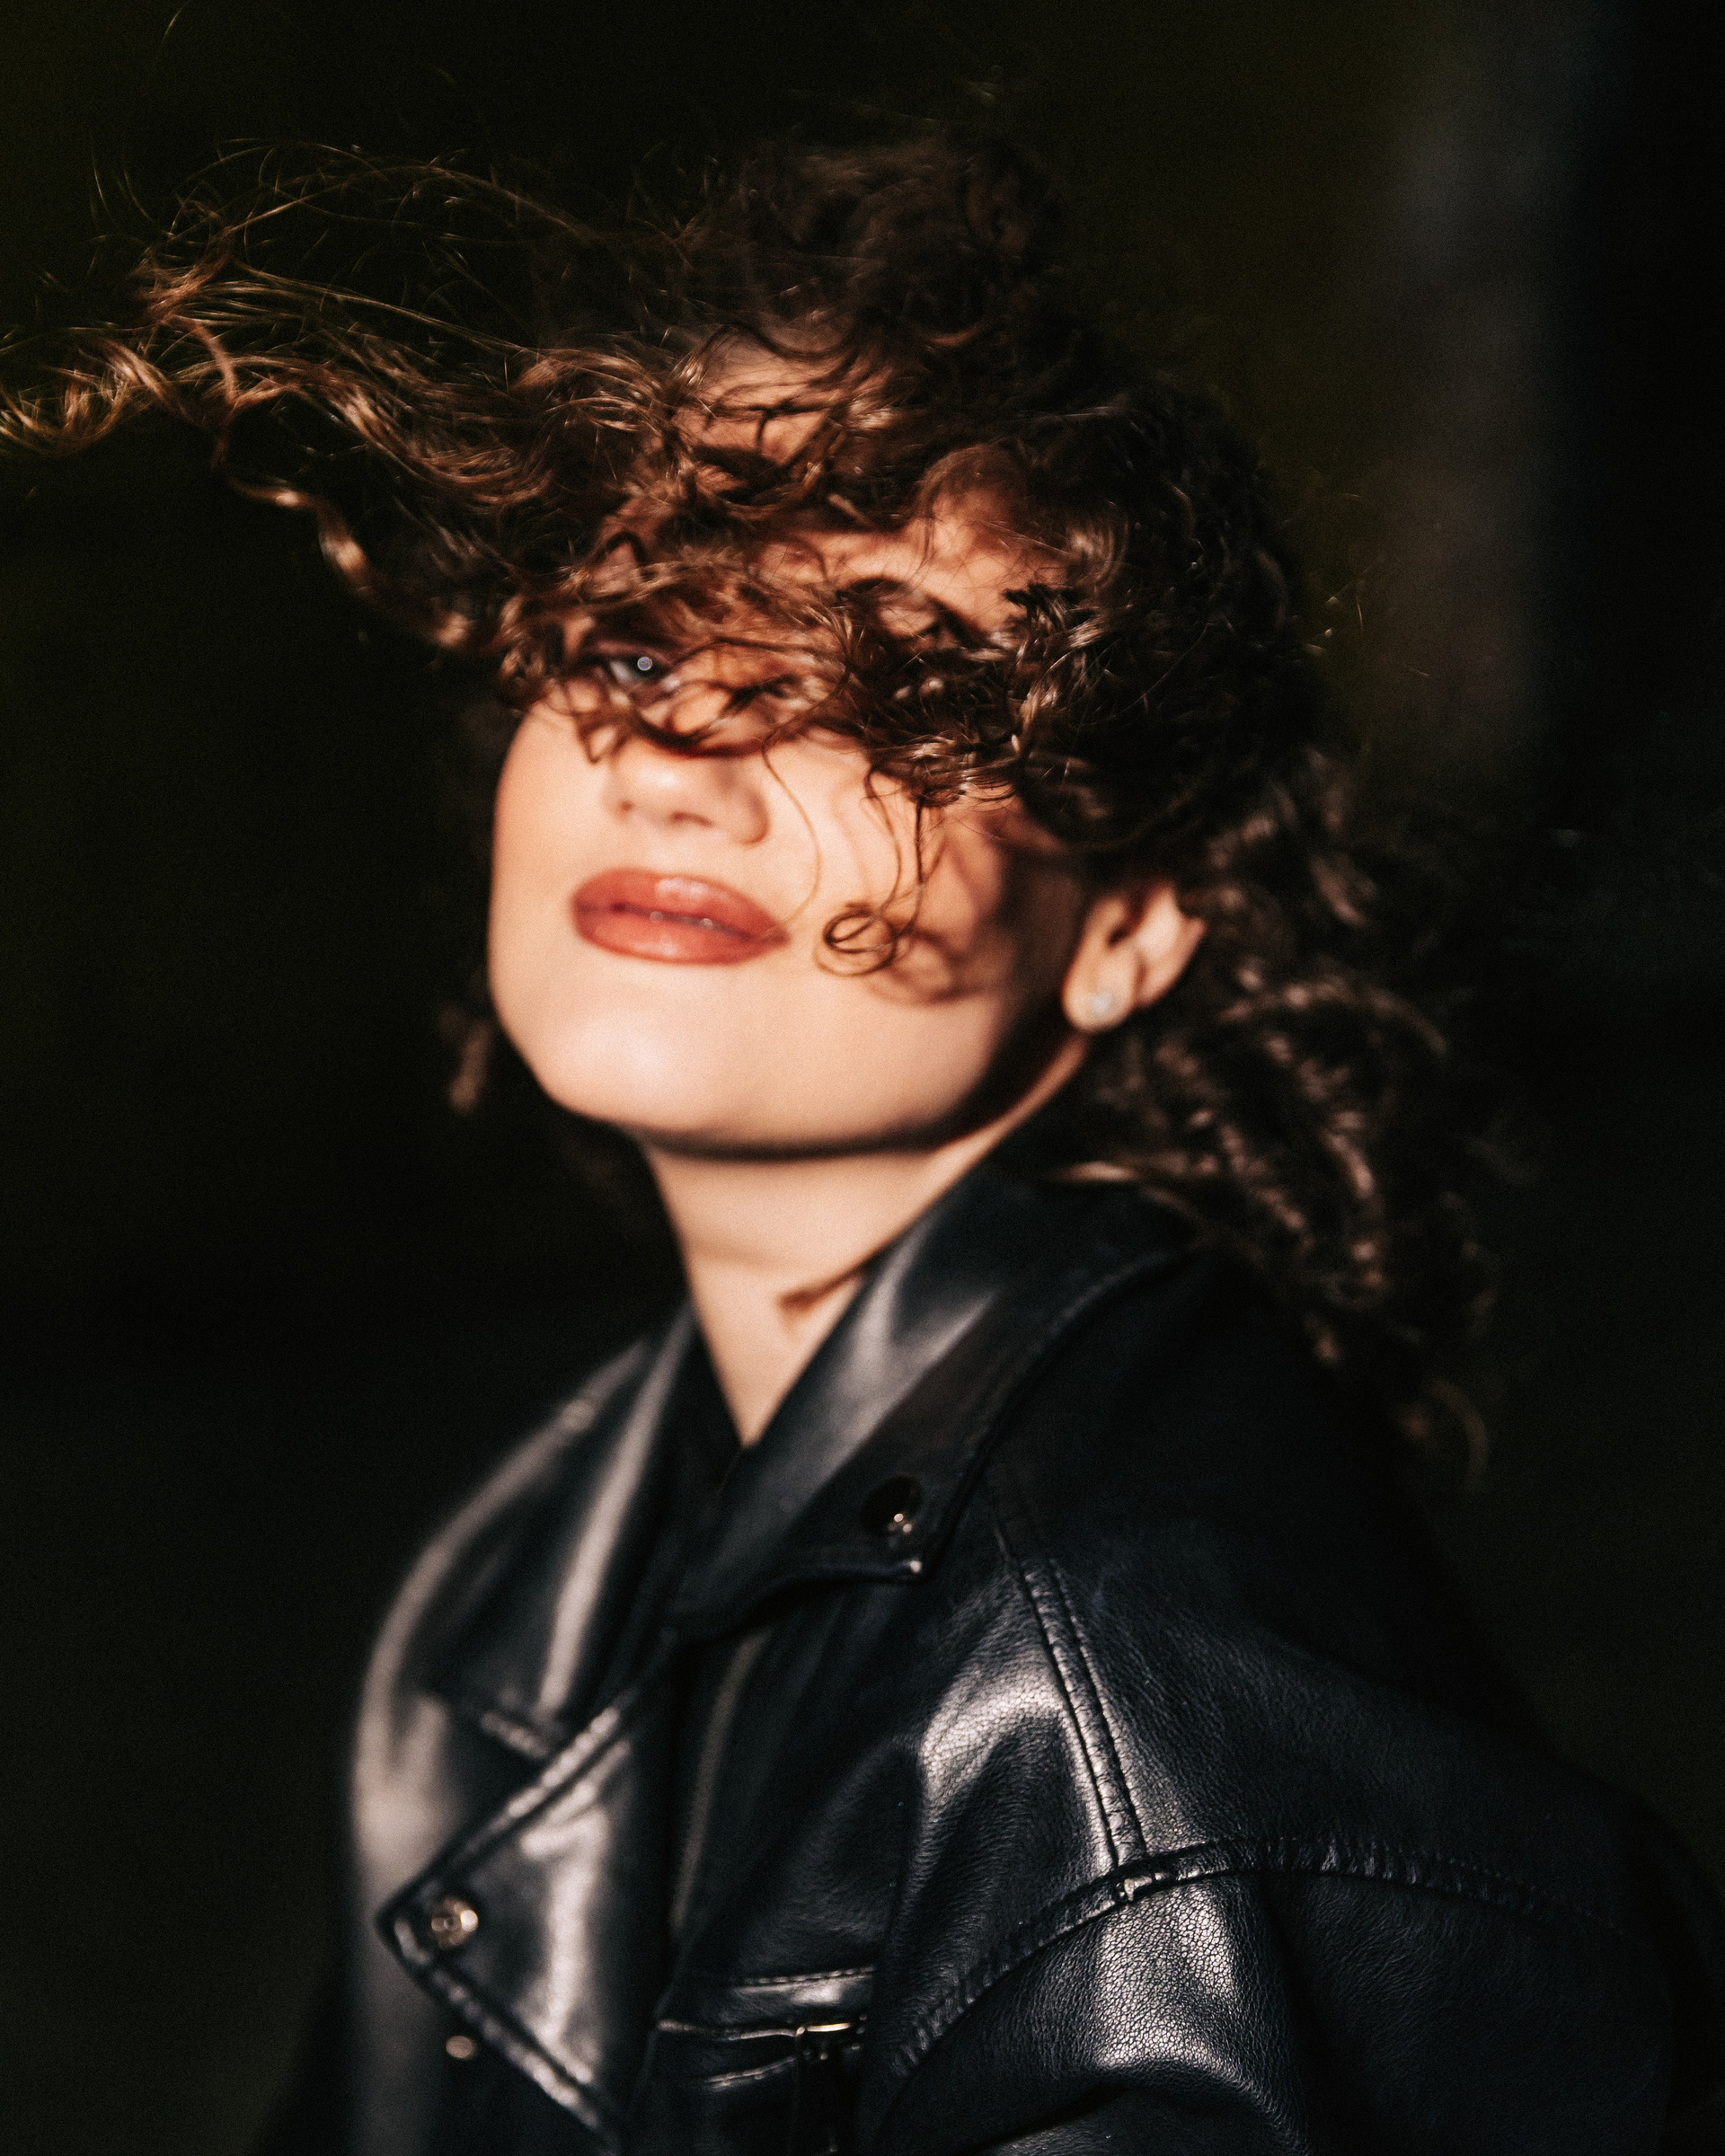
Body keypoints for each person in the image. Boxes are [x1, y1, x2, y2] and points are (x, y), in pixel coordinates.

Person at [9, 136, 1724, 2154]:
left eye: (888, 695)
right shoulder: (551, 1548)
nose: (687, 756)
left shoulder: (1126, 1737)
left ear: (1130, 922)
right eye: (636, 645)